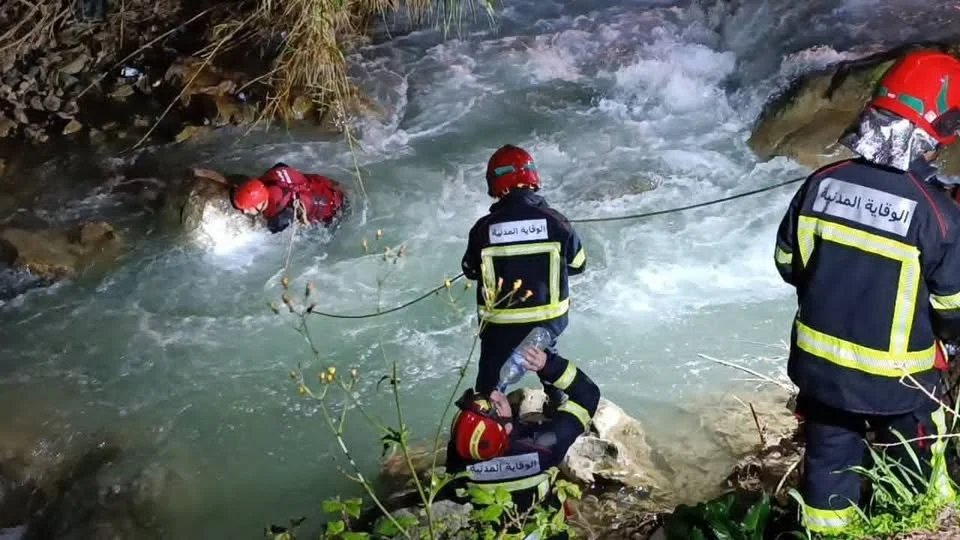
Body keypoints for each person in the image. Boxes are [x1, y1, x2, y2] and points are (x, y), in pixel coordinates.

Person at [773, 50, 960, 535]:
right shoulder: (936, 214)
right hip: (898, 384)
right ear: (938, 127)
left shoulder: (821, 183)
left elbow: (789, 264)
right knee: (910, 469)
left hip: (820, 371)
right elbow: (953, 309)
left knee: (828, 471)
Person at [461, 145, 587, 408]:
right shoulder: (557, 221)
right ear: (533, 180)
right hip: (547, 321)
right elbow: (578, 264)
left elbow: (470, 270)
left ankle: (488, 415)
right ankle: (556, 397)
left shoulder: (483, 229)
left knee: (490, 378)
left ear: (495, 184)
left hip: (499, 326)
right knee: (544, 350)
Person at [445, 346, 599, 535]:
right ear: (501, 429)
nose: (497, 395)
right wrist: (549, 364)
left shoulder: (458, 462)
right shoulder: (542, 449)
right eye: (493, 406)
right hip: (546, 533)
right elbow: (588, 396)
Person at [228, 163, 347, 233]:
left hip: (331, 208)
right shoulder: (273, 174)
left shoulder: (279, 215)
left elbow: (273, 231)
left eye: (247, 208)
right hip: (323, 184)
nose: (244, 211)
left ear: (259, 204)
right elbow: (282, 165)